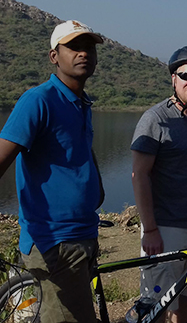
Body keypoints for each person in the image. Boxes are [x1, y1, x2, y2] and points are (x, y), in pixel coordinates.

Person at [0, 20, 105, 323]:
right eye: (73, 47)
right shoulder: (39, 100)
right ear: (54, 56)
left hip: (82, 236)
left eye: (88, 47)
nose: (83, 53)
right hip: (55, 242)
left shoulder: (80, 103)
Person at [131, 45, 187, 323]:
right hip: (165, 230)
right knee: (156, 306)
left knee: (184, 299)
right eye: (186, 76)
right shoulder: (155, 119)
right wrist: (149, 229)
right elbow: (139, 175)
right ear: (174, 78)